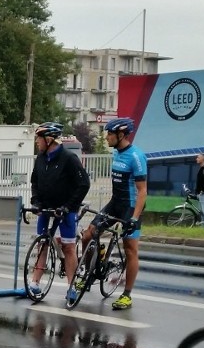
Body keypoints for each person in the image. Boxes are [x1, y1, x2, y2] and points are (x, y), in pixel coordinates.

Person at [80, 117, 147, 310]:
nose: (106, 137)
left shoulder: (136, 156)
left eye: (109, 134)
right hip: (115, 203)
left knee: (130, 249)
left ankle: (126, 295)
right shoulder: (116, 153)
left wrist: (134, 218)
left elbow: (142, 191)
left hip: (131, 207)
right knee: (87, 235)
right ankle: (94, 266)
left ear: (121, 135)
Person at [27, 122, 91, 299]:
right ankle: (35, 283)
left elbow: (83, 184)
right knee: (43, 243)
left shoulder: (69, 158)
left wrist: (69, 206)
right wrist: (36, 202)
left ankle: (71, 287)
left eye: (38, 139)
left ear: (48, 139)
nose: (36, 142)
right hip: (46, 208)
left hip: (66, 209)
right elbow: (35, 182)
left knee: (68, 247)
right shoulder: (40, 158)